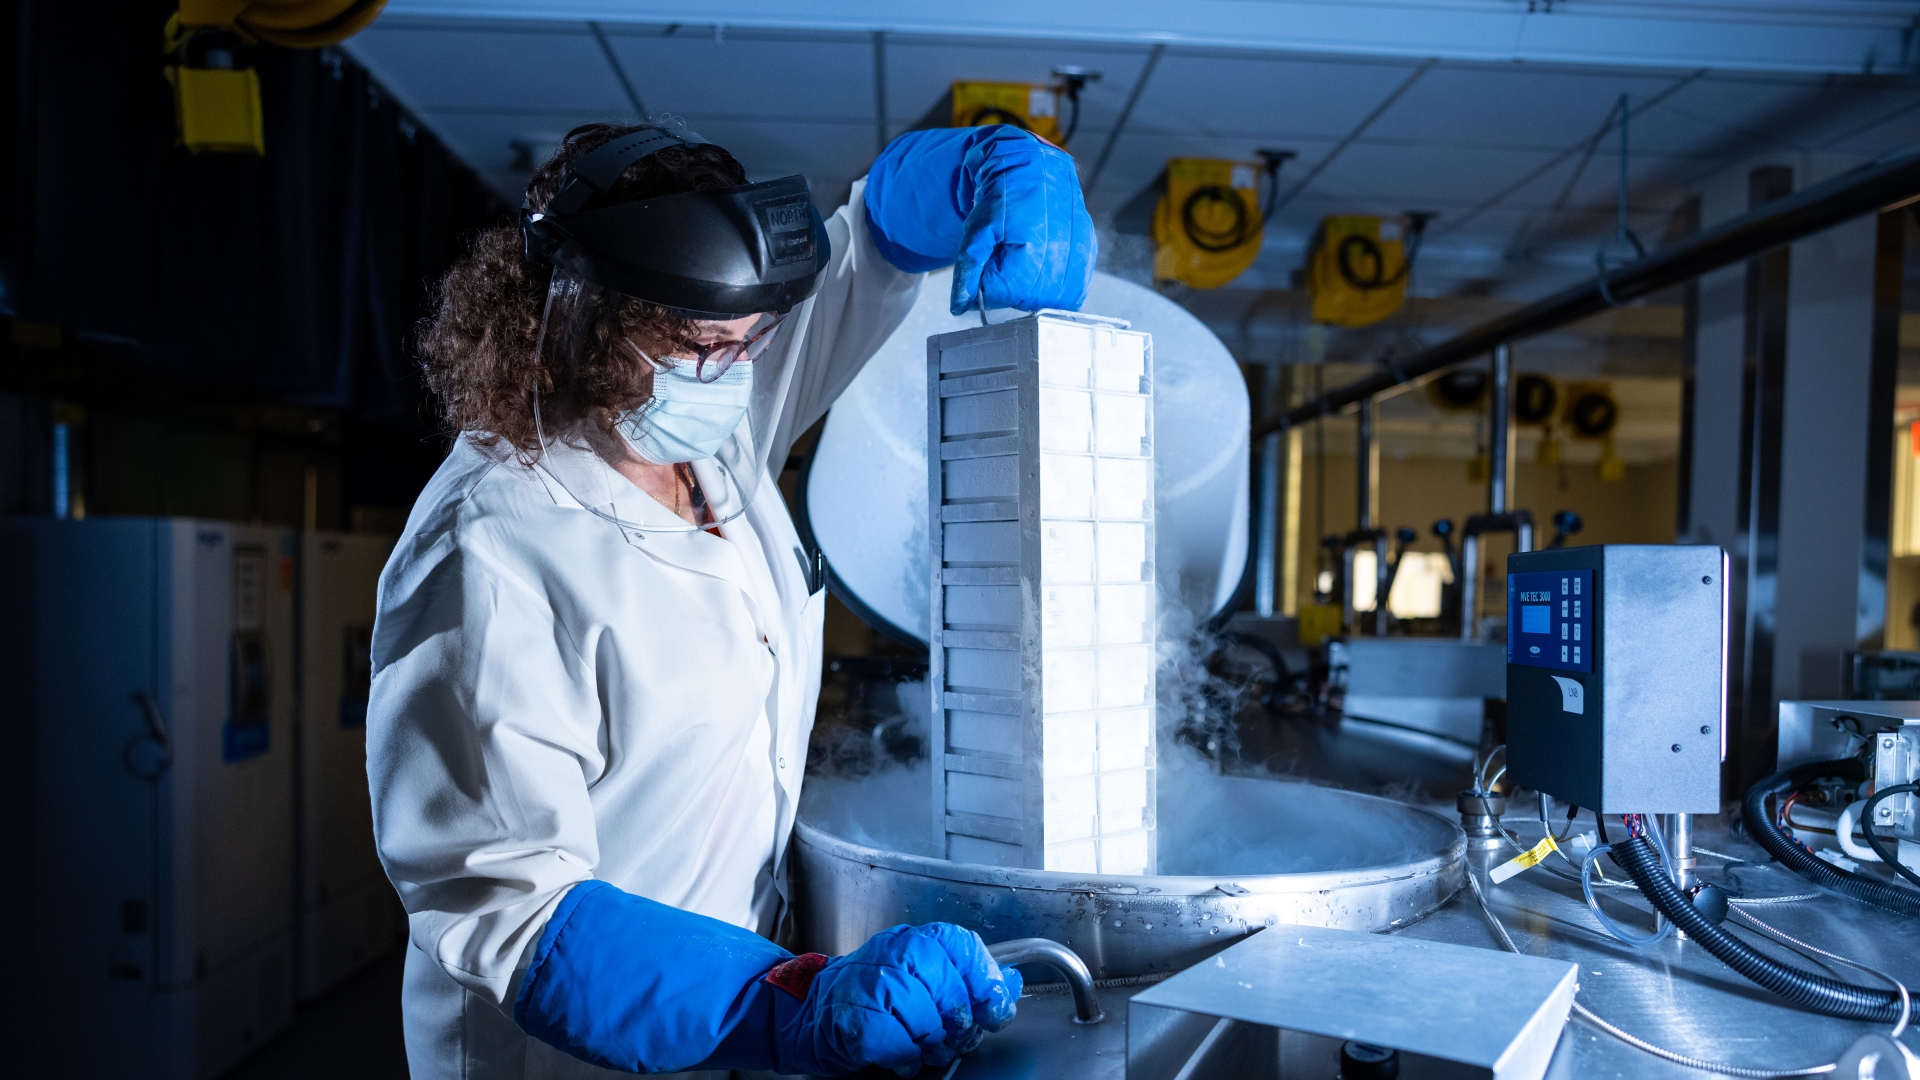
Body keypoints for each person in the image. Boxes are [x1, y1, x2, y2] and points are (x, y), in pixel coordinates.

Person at [367, 118, 1095, 1080]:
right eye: (705, 346)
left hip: (739, 1009)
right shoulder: (491, 552)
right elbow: (511, 910)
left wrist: (981, 173)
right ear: (577, 320)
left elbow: (867, 249)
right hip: (575, 1040)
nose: (734, 374)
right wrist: (785, 1006)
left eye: (751, 344)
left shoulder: (704, 421)